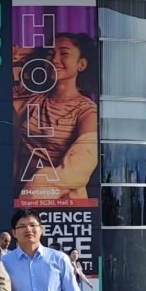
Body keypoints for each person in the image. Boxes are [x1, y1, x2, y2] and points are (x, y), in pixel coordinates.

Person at [12, 33, 99, 204]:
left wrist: (37, 186)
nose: (54, 59)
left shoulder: (86, 110)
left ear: (81, 64)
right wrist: (19, 55)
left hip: (65, 204)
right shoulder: (32, 101)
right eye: (49, 54)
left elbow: (81, 165)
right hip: (22, 200)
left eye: (64, 53)